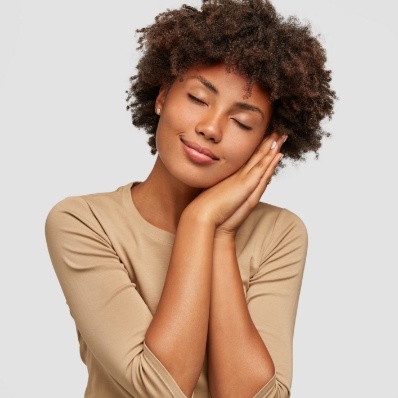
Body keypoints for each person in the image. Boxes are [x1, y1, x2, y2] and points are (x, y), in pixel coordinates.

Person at [45, 0, 336, 397]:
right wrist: (202, 221)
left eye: (242, 121)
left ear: (267, 141)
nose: (211, 127)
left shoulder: (279, 235)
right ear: (162, 95)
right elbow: (157, 389)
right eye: (198, 99)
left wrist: (216, 232)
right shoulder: (84, 222)